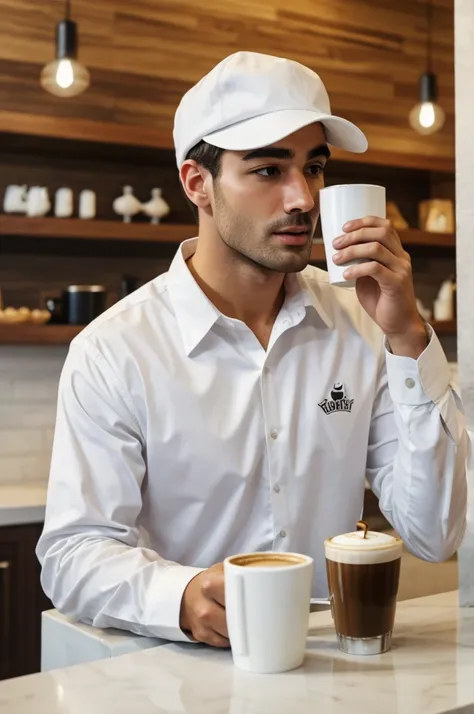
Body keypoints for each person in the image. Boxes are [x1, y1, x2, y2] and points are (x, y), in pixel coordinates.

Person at [37, 51, 468, 649]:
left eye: (313, 168)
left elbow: (435, 533)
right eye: (268, 170)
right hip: (176, 674)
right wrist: (182, 598)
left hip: (332, 667)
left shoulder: (365, 324)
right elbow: (72, 553)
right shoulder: (114, 350)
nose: (303, 199)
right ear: (197, 184)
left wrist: (409, 339)